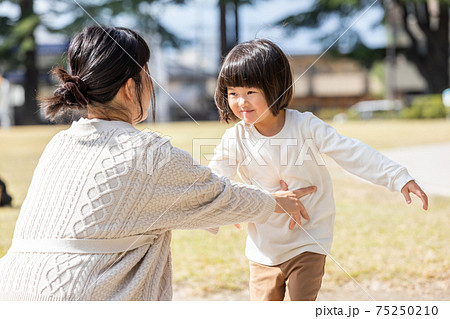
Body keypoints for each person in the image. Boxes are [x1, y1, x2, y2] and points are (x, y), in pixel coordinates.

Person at [0, 27, 316, 301]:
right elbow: (218, 195)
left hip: (11, 290)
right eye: (146, 74)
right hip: (82, 295)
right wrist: (274, 202)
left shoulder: (59, 144)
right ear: (129, 87)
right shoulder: (147, 152)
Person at [209, 39, 429, 301]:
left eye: (250, 92)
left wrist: (397, 177)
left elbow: (351, 152)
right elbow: (215, 181)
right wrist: (232, 205)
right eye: (233, 93)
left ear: (275, 87)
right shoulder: (234, 139)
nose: (240, 102)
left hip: (308, 240)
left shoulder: (305, 127)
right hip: (263, 248)